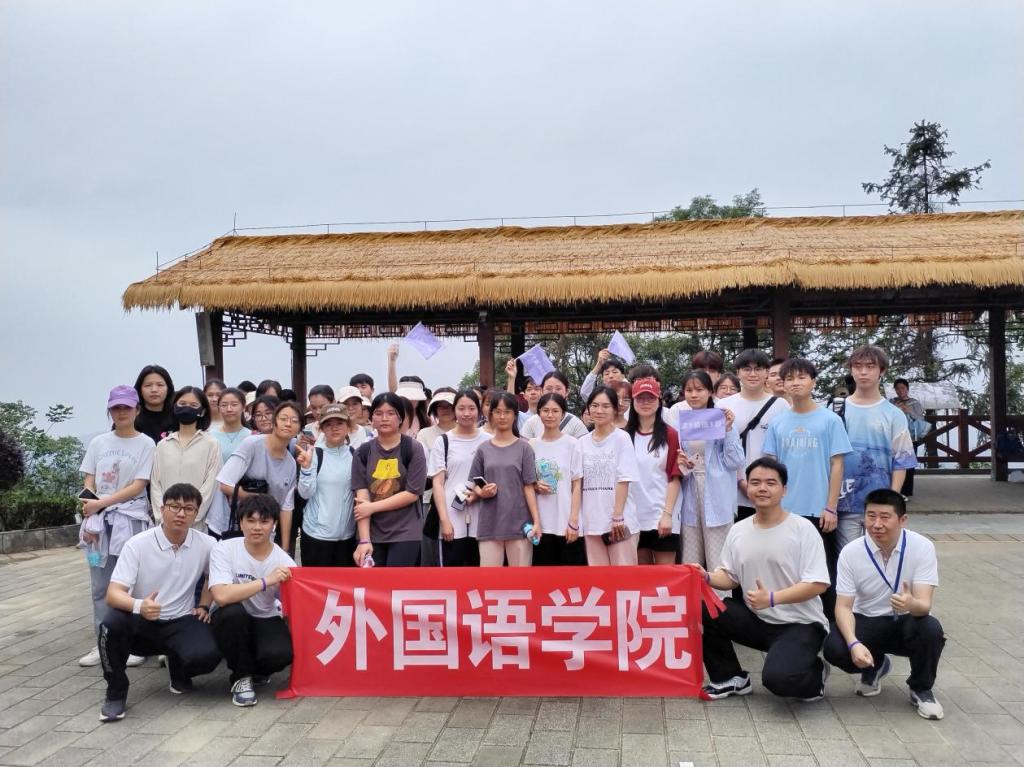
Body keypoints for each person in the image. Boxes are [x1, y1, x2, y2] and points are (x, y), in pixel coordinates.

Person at [693, 458, 831, 701]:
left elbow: (818, 583)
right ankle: (730, 677)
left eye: (770, 483)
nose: (762, 488)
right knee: (703, 607)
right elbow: (730, 577)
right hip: (757, 620)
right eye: (755, 482)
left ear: (784, 489)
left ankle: (815, 673)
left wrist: (772, 598)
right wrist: (707, 576)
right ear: (747, 487)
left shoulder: (802, 529)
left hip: (801, 624)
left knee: (779, 680)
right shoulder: (739, 529)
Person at [97, 483, 219, 722]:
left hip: (181, 620)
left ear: (197, 513)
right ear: (162, 509)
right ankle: (115, 691)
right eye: (174, 506)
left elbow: (211, 577)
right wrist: (139, 605)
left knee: (208, 656)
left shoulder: (207, 544)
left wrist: (204, 604)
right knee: (110, 624)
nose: (181, 513)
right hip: (142, 621)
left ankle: (178, 668)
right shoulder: (138, 544)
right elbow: (113, 594)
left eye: (189, 508)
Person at [823, 489, 945, 720]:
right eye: (871, 516)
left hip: (906, 621)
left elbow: (924, 606)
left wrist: (911, 602)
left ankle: (921, 689)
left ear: (902, 519)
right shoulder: (851, 552)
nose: (877, 524)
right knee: (834, 647)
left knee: (931, 629)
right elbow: (843, 607)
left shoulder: (922, 547)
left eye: (885, 517)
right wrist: (853, 643)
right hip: (866, 620)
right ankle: (875, 665)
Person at [763, 358, 852, 619]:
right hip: (784, 512)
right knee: (786, 570)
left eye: (801, 377)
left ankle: (830, 625)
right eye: (789, 378)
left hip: (819, 511)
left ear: (813, 381)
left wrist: (831, 507)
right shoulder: (778, 422)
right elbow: (772, 466)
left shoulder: (830, 420)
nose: (795, 383)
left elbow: (837, 465)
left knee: (823, 572)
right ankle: (789, 622)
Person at [78, 385, 155, 669]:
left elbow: (138, 485)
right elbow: (89, 479)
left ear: (137, 410)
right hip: (99, 523)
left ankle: (135, 643)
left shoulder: (146, 444)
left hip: (129, 520)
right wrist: (91, 502)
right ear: (109, 410)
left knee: (132, 582)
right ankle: (103, 642)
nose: (121, 412)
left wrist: (101, 503)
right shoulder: (99, 442)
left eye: (126, 407)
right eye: (116, 408)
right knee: (100, 585)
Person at [210, 494, 295, 707]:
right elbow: (221, 596)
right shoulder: (224, 548)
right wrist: (266, 581)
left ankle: (255, 669)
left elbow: (296, 604)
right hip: (229, 617)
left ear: (274, 524)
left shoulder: (284, 561)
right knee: (233, 614)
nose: (257, 527)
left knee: (281, 655)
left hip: (265, 616)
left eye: (264, 521)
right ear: (241, 523)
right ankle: (241, 678)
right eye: (251, 520)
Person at [835, 346, 917, 548]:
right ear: (851, 370)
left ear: (882, 370)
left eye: (870, 366)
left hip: (880, 504)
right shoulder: (834, 410)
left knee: (880, 556)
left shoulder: (894, 414)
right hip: (842, 502)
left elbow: (901, 461)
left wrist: (892, 498)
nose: (863, 372)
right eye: (858, 366)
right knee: (847, 558)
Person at [676, 371, 744, 581]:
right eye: (689, 390)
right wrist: (682, 463)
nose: (694, 395)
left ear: (710, 392)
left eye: (699, 389)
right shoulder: (681, 422)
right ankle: (692, 599)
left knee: (719, 561)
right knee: (690, 559)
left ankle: (722, 600)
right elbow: (679, 465)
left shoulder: (722, 419)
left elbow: (735, 461)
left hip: (717, 495)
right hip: (690, 494)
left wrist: (728, 430)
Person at [352, 392, 428, 567]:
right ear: (371, 418)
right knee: (373, 582)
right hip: (373, 532)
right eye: (378, 413)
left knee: (398, 581)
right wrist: (364, 541)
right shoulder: (362, 452)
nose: (384, 418)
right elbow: (361, 501)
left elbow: (412, 494)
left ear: (400, 418)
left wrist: (373, 507)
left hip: (406, 532)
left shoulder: (413, 448)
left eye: (391, 413)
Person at [217, 401, 301, 552]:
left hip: (266, 531)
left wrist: (284, 548)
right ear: (273, 422)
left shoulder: (291, 464)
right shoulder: (252, 444)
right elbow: (224, 484)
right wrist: (256, 498)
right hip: (237, 524)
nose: (288, 424)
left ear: (299, 428)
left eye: (294, 420)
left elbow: (286, 507)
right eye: (283, 419)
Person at [469, 391, 542, 567]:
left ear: (515, 415)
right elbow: (475, 483)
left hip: (520, 525)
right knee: (490, 580)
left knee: (521, 580)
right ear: (491, 414)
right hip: (490, 525)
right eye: (498, 412)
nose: (502, 417)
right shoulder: (483, 449)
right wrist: (482, 492)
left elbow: (529, 487)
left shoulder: (524, 448)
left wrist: (536, 522)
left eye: (507, 412)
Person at [716, 349, 789, 522]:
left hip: (769, 491)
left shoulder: (781, 406)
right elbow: (717, 450)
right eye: (747, 369)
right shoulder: (723, 405)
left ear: (767, 372)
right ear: (738, 372)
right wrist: (740, 481)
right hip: (732, 490)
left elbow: (785, 451)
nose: (753, 374)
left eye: (758, 369)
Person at [429, 390, 492, 567]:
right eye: (461, 408)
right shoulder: (443, 441)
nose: (466, 413)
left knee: (480, 572)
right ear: (454, 411)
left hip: (482, 516)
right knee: (451, 573)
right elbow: (438, 483)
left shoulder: (489, 440)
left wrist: (478, 494)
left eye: (471, 408)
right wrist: (444, 521)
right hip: (452, 515)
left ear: (479, 410)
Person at [580, 386, 640, 566]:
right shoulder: (581, 442)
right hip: (591, 523)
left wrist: (618, 516)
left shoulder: (622, 438)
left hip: (619, 522)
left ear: (615, 409)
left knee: (624, 577)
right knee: (598, 578)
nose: (599, 411)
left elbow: (624, 479)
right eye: (595, 405)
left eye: (605, 406)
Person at [624, 378, 682, 565]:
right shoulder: (624, 436)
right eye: (640, 398)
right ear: (633, 402)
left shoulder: (670, 434)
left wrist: (667, 514)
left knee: (667, 575)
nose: (645, 403)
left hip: (661, 515)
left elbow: (674, 477)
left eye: (650, 398)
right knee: (642, 576)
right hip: (633, 517)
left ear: (659, 401)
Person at [150, 386, 222, 530]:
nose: (187, 408)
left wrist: (192, 514)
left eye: (193, 405)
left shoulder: (211, 444)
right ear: (174, 407)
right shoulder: (163, 445)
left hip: (196, 524)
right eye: (182, 404)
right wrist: (163, 516)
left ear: (202, 411)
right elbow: (155, 484)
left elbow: (211, 485)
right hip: (165, 524)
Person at [295, 404, 357, 566]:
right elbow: (305, 493)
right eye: (328, 424)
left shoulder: (355, 455)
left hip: (347, 537)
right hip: (316, 536)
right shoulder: (315, 454)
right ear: (321, 428)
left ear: (348, 426)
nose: (334, 428)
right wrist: (306, 468)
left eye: (339, 423)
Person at [529, 392, 585, 566]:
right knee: (543, 575)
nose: (550, 415)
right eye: (545, 410)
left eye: (555, 411)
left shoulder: (572, 444)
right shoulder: (531, 445)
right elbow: (527, 483)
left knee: (571, 576)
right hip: (540, 524)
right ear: (539, 413)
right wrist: (536, 485)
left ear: (563, 414)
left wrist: (573, 521)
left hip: (566, 522)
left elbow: (577, 484)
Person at [207, 388, 252, 539]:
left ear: (243, 407)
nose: (229, 409)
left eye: (234, 404)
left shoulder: (252, 437)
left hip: (243, 497)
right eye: (224, 405)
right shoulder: (210, 437)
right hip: (215, 496)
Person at [520, 371, 590, 439]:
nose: (553, 392)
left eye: (558, 389)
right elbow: (523, 446)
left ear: (566, 392)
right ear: (542, 391)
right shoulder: (532, 422)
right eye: (549, 388)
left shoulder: (576, 424)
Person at [890, 378, 928, 499]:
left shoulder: (914, 403)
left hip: (911, 437)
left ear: (907, 389)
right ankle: (895, 489)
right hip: (894, 437)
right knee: (894, 463)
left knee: (908, 464)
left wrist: (909, 410)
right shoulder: (891, 402)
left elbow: (920, 418)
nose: (900, 390)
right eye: (897, 388)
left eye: (902, 388)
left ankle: (906, 491)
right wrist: (895, 408)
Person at [133, 364, 175, 443]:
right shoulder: (131, 418)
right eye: (148, 385)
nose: (154, 390)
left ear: (168, 389)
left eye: (160, 385)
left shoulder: (178, 416)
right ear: (140, 390)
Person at [504, 359, 544, 432]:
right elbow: (509, 404)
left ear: (543, 392)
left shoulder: (549, 417)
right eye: (529, 389)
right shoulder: (520, 417)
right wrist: (511, 378)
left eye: (537, 389)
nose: (533, 392)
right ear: (524, 395)